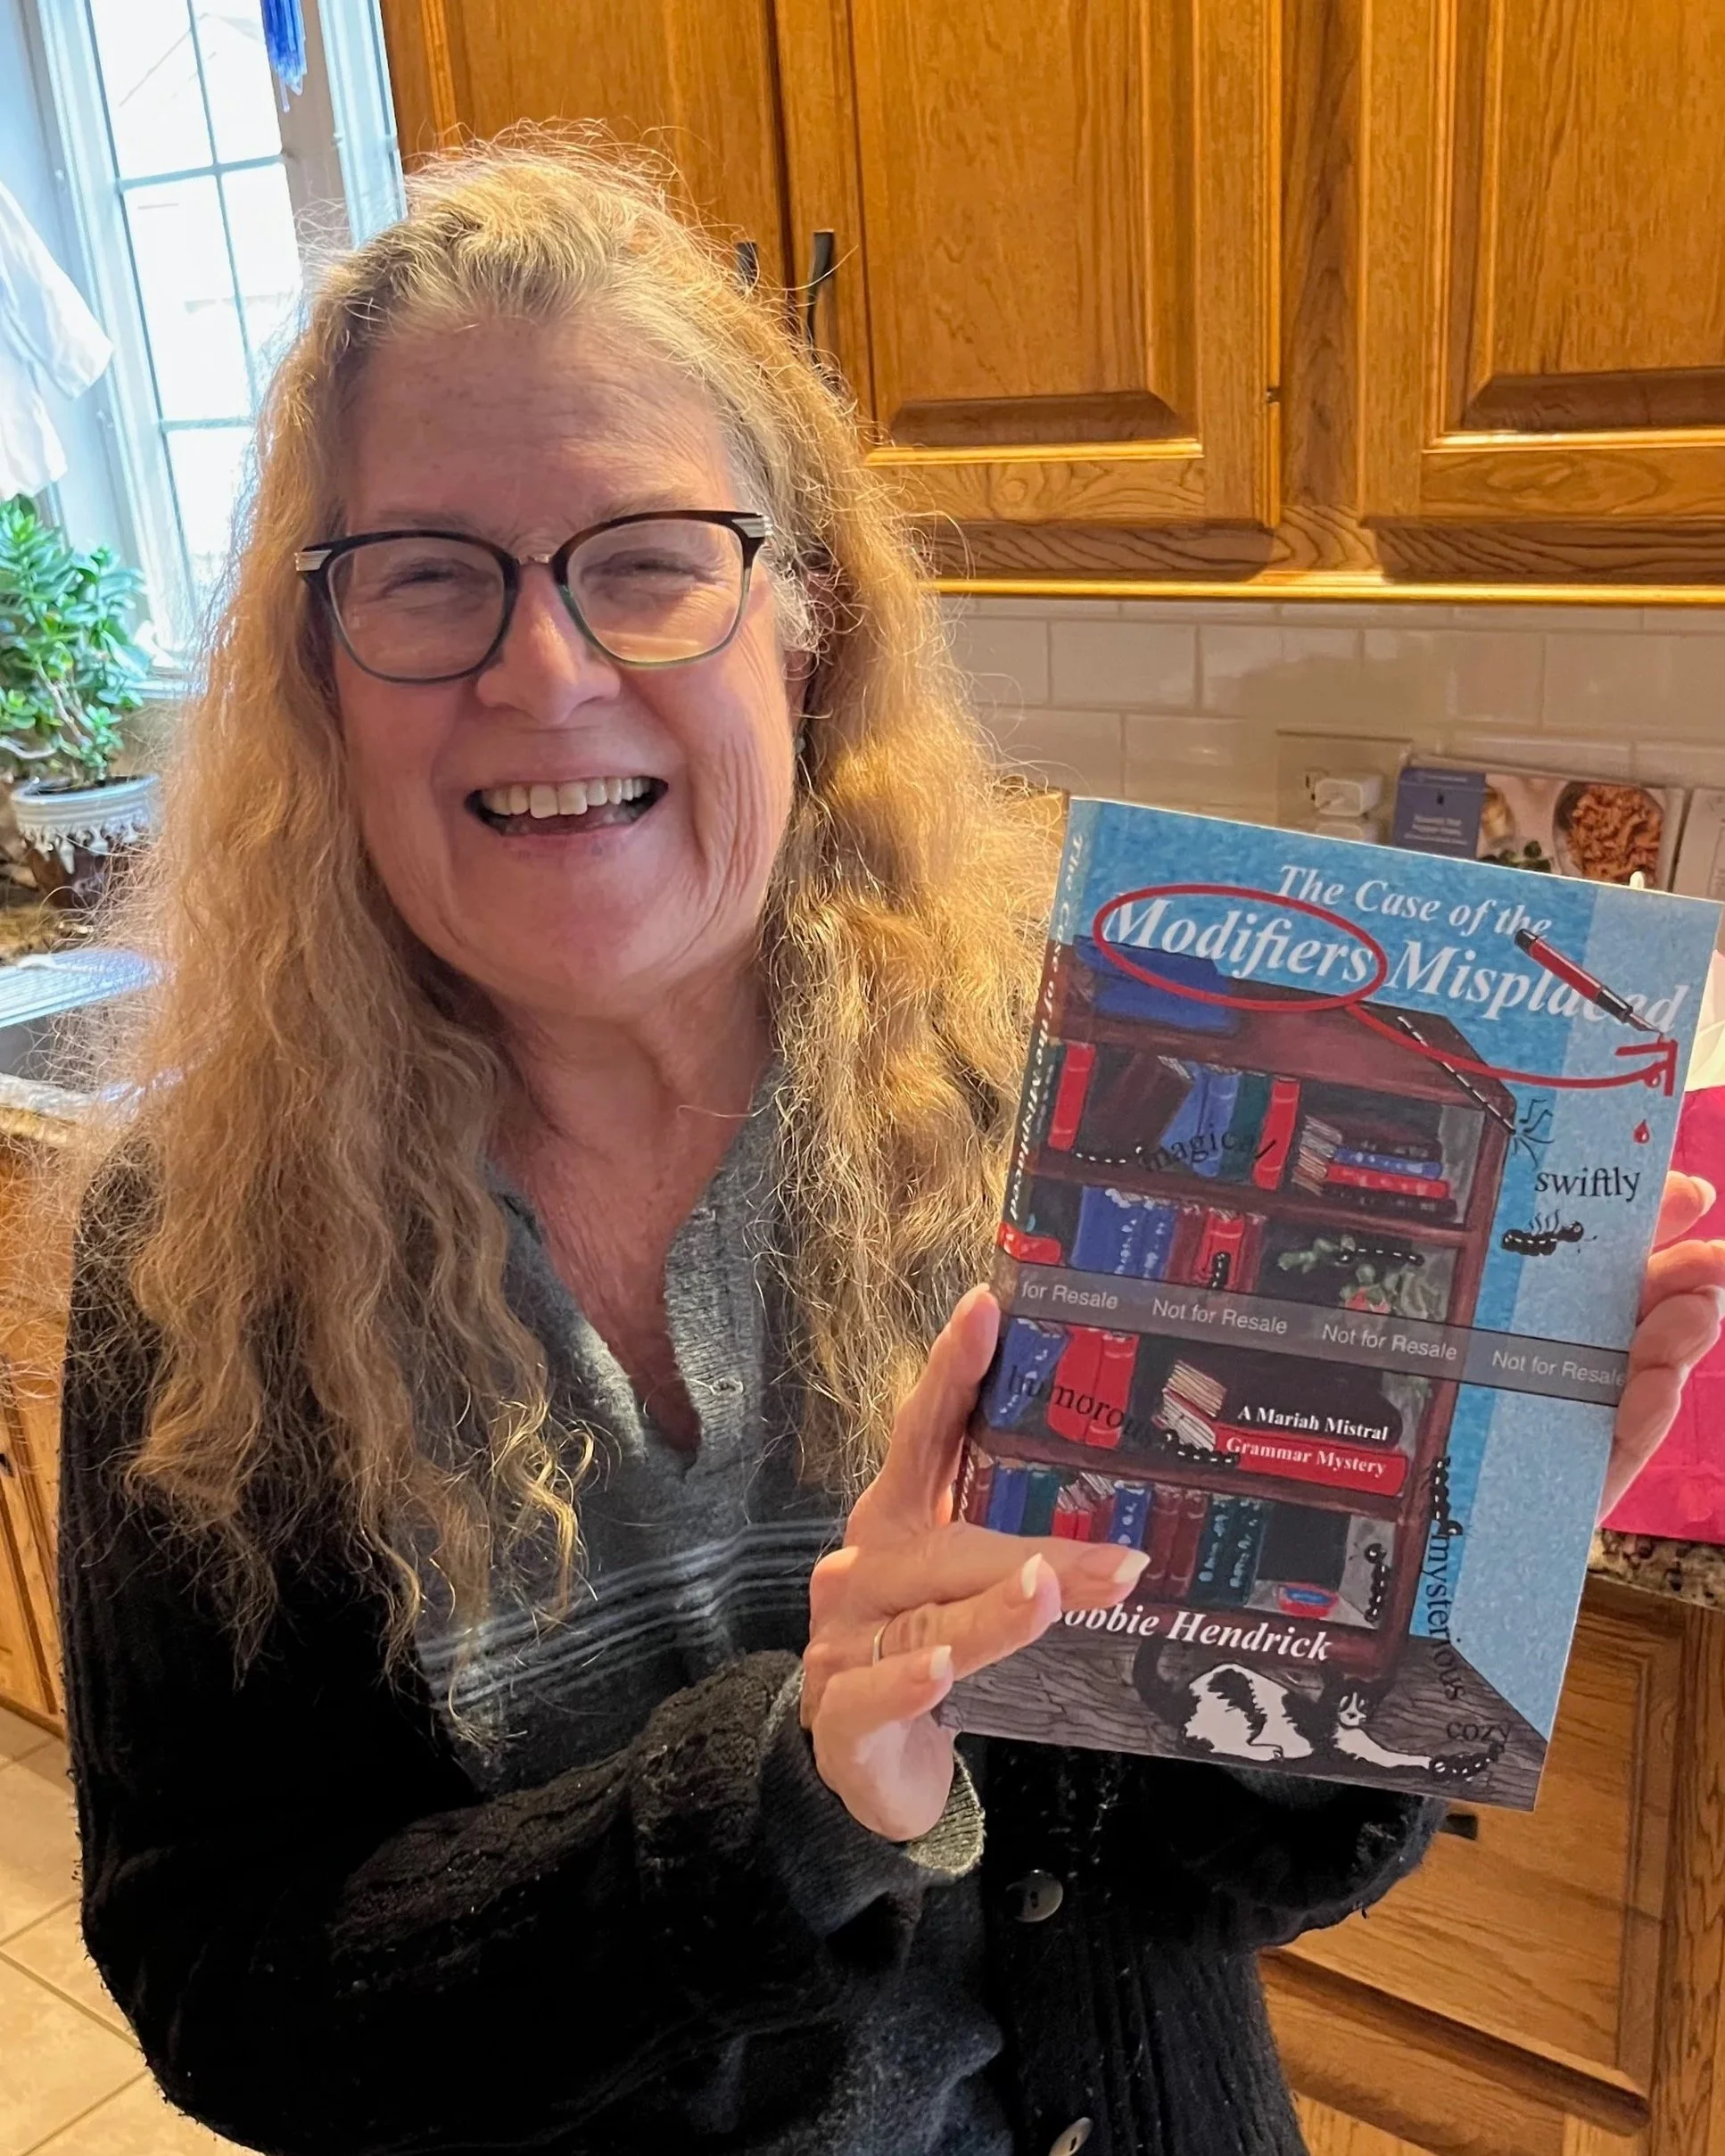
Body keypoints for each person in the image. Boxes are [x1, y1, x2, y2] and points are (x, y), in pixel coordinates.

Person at [55, 144, 1725, 2156]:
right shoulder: (207, 1253)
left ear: (805, 620)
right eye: (426, 572)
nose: (547, 666)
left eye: (645, 555)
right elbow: (230, 1988)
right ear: (322, 674)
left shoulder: (1095, 1103)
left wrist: (1413, 1584)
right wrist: (790, 1789)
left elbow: (1233, 1871)